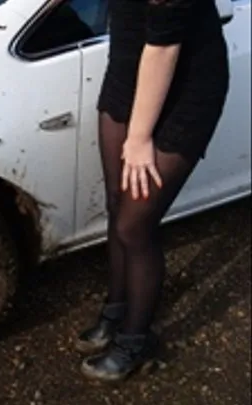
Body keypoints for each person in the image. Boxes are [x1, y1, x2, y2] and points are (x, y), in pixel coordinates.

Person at [73, 0, 230, 382]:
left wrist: (140, 138)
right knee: (116, 201)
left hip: (185, 84)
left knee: (134, 225)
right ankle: (116, 309)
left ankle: (136, 340)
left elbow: (163, 47)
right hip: (129, 68)